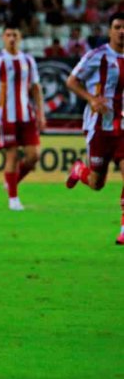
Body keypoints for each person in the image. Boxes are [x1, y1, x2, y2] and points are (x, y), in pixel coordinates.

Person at [65, 13, 124, 245]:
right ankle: (80, 170)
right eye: (117, 27)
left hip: (123, 126)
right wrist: (91, 99)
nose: (122, 32)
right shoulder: (96, 56)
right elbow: (71, 81)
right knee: (97, 183)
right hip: (99, 126)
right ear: (109, 31)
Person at [0, 25, 45, 211]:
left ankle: (11, 182)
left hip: (26, 115)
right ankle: (13, 199)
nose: (11, 38)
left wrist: (41, 113)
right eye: (8, 35)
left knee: (34, 156)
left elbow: (36, 88)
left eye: (15, 35)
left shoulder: (28, 60)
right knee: (12, 155)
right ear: (3, 37)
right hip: (5, 117)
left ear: (20, 37)